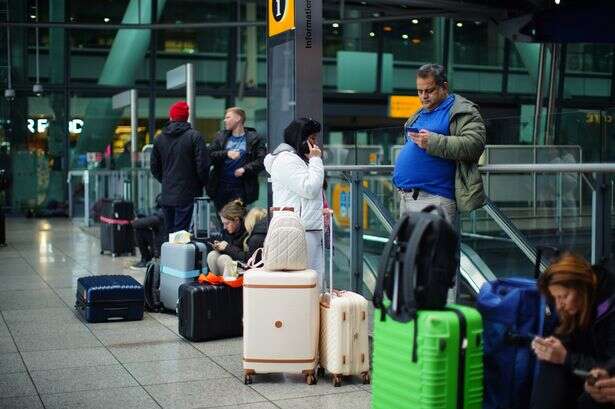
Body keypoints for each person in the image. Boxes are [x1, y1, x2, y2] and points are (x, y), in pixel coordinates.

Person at [392, 63, 486, 225]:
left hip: (435, 199)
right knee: (409, 250)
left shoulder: (461, 110)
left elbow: (474, 144)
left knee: (432, 250)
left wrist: (433, 142)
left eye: (429, 91)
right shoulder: (419, 113)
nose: (423, 96)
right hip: (406, 198)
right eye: (419, 92)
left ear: (444, 87)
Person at [529, 253, 615, 409]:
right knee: (551, 368)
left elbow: (610, 366)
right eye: (555, 298)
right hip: (586, 370)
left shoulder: (610, 308)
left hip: (605, 378)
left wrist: (566, 358)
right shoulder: (577, 307)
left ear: (581, 288)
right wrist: (551, 348)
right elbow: (567, 342)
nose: (559, 305)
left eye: (563, 296)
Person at [264, 117, 325, 284]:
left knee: (316, 282)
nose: (315, 144)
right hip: (300, 228)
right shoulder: (287, 160)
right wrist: (315, 159)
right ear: (301, 138)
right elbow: (310, 188)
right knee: (307, 282)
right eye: (312, 138)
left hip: (308, 227)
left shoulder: (296, 159)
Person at [151, 101, 210, 234]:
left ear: (171, 117)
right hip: (188, 193)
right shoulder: (194, 136)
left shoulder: (159, 138)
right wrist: (199, 184)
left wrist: (166, 180)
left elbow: (154, 167)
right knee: (181, 233)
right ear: (186, 117)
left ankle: (168, 255)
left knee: (169, 232)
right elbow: (203, 166)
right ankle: (178, 255)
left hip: (167, 193)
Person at [207, 107, 267, 212]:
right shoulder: (220, 136)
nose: (225, 120)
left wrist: (245, 169)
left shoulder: (254, 138)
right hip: (221, 186)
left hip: (242, 187)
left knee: (238, 219)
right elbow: (209, 156)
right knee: (223, 219)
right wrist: (226, 153)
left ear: (238, 118)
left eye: (228, 117)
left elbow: (262, 160)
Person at [206, 199, 247, 276]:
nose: (224, 227)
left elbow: (246, 257)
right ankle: (219, 285)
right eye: (223, 224)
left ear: (237, 220)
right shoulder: (227, 231)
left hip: (244, 267)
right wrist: (220, 248)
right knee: (212, 255)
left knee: (224, 259)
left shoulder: (247, 231)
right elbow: (228, 251)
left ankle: (230, 286)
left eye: (227, 223)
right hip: (231, 266)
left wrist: (227, 248)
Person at [130, 195, 166, 270]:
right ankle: (146, 258)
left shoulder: (164, 211)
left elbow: (152, 220)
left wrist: (133, 223)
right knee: (141, 229)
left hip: (162, 244)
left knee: (139, 229)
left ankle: (145, 259)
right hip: (160, 240)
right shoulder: (164, 210)